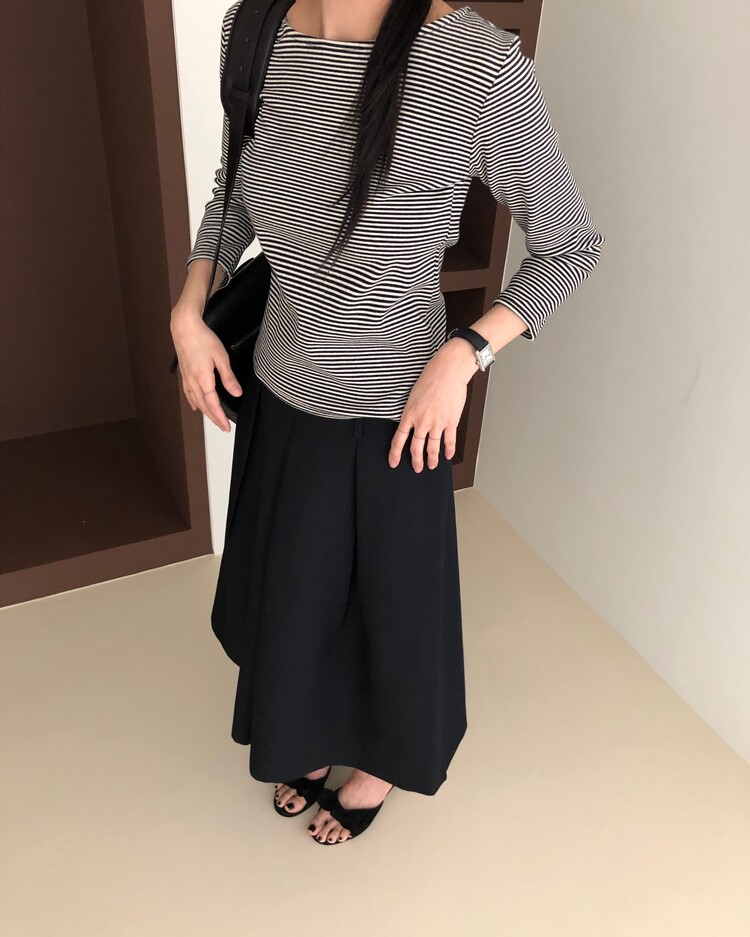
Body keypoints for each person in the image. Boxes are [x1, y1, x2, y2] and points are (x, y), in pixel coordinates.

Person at [170, 0, 605, 846]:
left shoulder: (476, 64)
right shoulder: (251, 29)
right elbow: (236, 194)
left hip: (399, 412)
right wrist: (188, 311)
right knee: (297, 594)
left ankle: (379, 761)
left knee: (389, 612)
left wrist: (465, 353)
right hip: (281, 388)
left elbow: (570, 246)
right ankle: (301, 732)